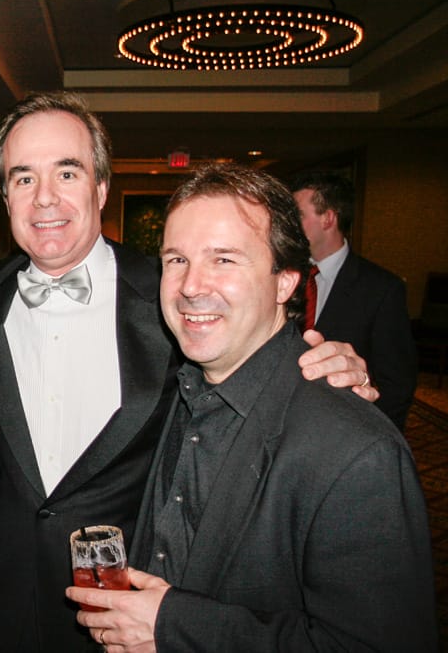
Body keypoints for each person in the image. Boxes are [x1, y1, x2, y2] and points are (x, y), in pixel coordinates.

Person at [0, 92, 377, 652]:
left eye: (66, 171)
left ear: (101, 187)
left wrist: (324, 364)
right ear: (4, 193)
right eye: (23, 178)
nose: (45, 199)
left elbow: (256, 352)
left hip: (133, 611)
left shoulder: (176, 295)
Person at [68, 163, 436, 651]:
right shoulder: (182, 387)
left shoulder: (356, 451)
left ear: (285, 282)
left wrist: (174, 627)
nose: (192, 286)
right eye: (176, 260)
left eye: (224, 259)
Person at [290, 171, 417, 429]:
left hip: (343, 427)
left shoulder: (381, 289)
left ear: (327, 218)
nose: (290, 224)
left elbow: (396, 385)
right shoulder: (285, 277)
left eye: (298, 216)